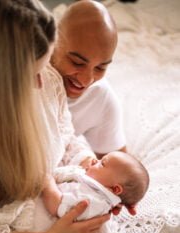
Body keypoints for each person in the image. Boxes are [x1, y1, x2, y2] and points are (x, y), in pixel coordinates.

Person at [0, 0, 116, 233]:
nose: (43, 81)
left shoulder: (47, 79)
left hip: (54, 209)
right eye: (32, 73)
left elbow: (65, 136)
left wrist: (94, 171)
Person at [52, 0, 126, 159]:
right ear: (53, 41)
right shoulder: (19, 75)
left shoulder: (100, 98)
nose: (86, 80)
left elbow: (122, 172)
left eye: (100, 68)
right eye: (77, 63)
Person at [43, 151, 149, 220]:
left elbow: (56, 205)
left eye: (102, 163)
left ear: (115, 188)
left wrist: (47, 179)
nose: (94, 160)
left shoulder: (94, 201)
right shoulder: (89, 184)